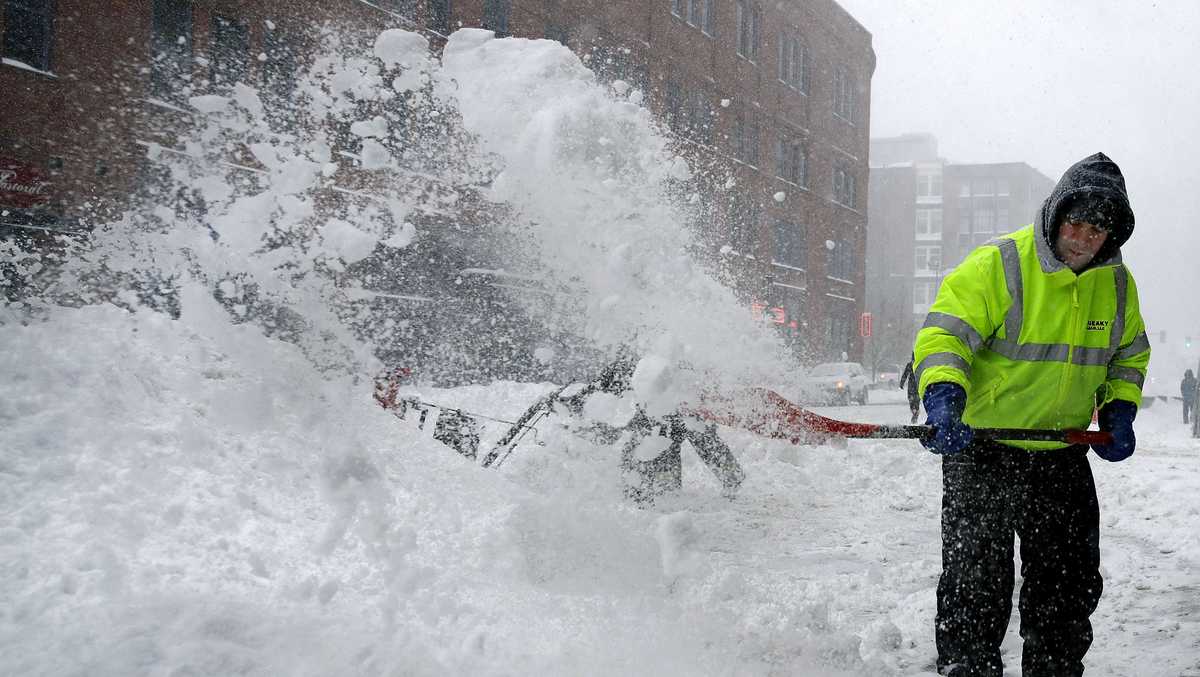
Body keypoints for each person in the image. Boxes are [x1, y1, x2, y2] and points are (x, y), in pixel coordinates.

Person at [912, 152, 1150, 677]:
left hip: (1061, 452)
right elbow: (945, 334)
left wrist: (1118, 410)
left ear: (1113, 235)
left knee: (1067, 581)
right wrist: (945, 396)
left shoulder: (1116, 286)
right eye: (1077, 223)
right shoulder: (1001, 264)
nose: (1084, 238)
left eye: (1098, 230)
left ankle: (1055, 667)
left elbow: (1129, 355)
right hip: (983, 449)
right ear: (1056, 213)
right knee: (977, 576)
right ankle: (968, 667)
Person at [898, 357, 921, 423]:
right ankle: (916, 412)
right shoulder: (920, 364)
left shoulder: (910, 365)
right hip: (918, 384)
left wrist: (902, 383)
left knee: (911, 399)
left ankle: (914, 411)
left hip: (912, 385)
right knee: (917, 401)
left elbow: (905, 374)